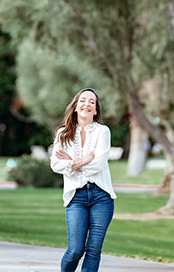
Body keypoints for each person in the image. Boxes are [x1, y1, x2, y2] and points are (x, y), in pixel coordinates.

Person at [50, 88, 116, 272]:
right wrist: (84, 160)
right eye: (83, 100)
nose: (87, 104)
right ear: (75, 106)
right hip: (75, 197)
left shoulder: (103, 131)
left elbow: (98, 164)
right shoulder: (63, 133)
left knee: (93, 251)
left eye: (92, 102)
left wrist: (70, 164)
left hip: (101, 197)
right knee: (75, 250)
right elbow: (55, 164)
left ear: (95, 110)